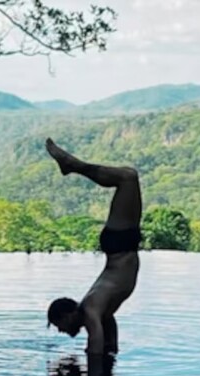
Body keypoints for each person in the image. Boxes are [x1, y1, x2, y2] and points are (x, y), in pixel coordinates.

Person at [45, 138, 142, 355]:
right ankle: (73, 166)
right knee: (128, 177)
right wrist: (112, 351)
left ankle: (73, 165)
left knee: (128, 177)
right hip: (123, 245)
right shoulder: (98, 310)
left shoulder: (90, 311)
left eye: (58, 325)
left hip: (120, 245)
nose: (61, 331)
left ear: (67, 315)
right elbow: (108, 337)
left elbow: (95, 346)